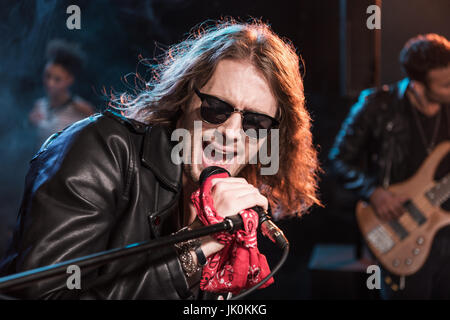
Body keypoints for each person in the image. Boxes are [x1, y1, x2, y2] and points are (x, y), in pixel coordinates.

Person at [0, 20, 321, 299]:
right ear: (185, 96)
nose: (232, 133)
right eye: (217, 109)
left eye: (256, 123)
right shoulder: (101, 150)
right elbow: (45, 296)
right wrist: (194, 247)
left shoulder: (231, 202)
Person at [329, 33, 450, 299]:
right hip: (401, 231)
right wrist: (373, 192)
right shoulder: (377, 106)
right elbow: (339, 159)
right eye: (445, 85)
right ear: (418, 85)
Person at [29, 39, 95, 148]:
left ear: (69, 80)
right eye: (47, 76)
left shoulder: (82, 108)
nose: (50, 83)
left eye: (57, 79)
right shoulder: (39, 105)